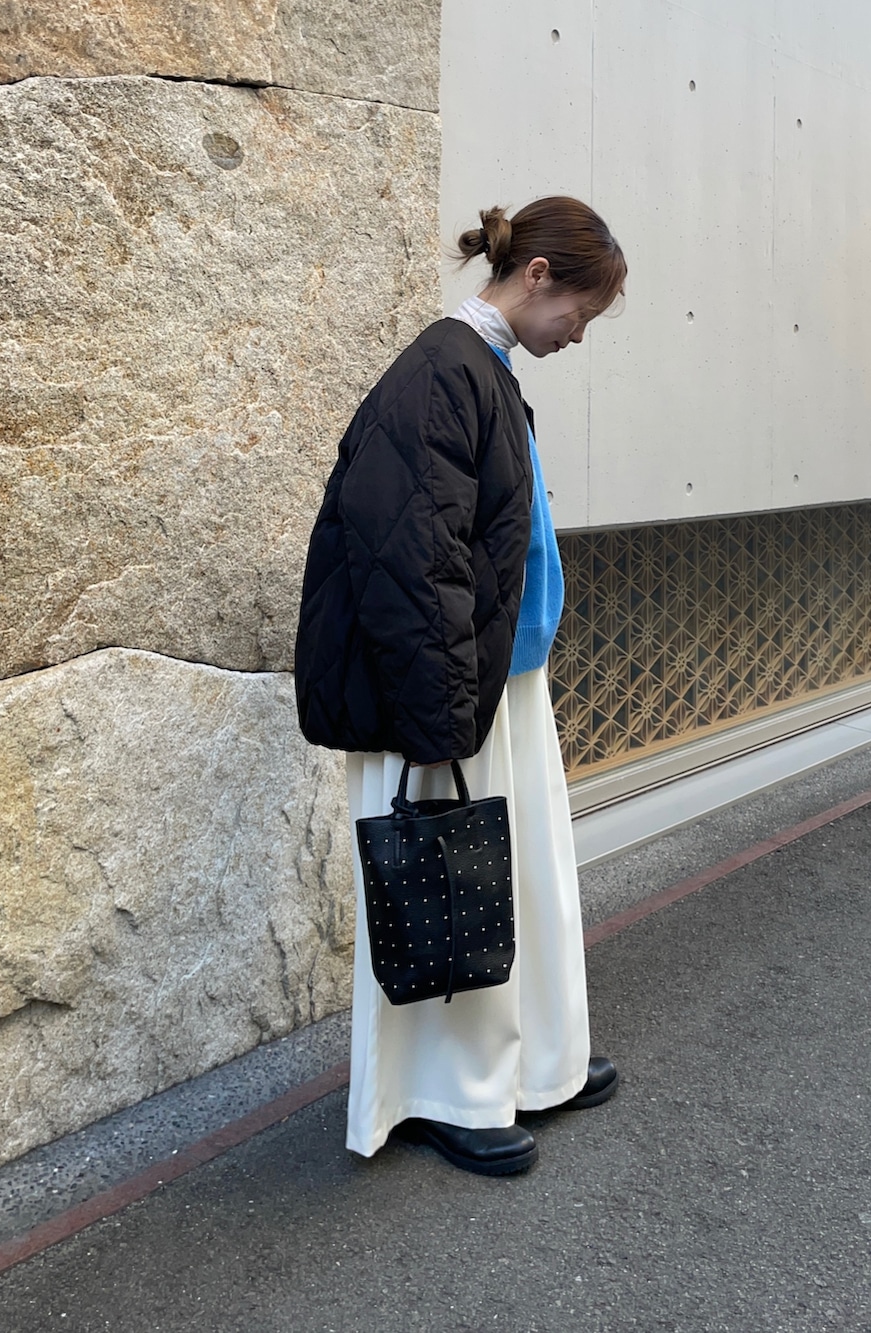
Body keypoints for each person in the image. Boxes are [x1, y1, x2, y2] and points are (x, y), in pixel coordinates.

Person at [294, 196, 627, 1175]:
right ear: (536, 276)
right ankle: (449, 1096)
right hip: (449, 687)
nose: (578, 334)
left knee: (510, 882)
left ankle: (531, 1066)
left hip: (490, 679)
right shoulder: (442, 371)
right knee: (457, 881)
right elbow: (410, 556)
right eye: (579, 313)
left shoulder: (478, 368)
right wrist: (438, 720)